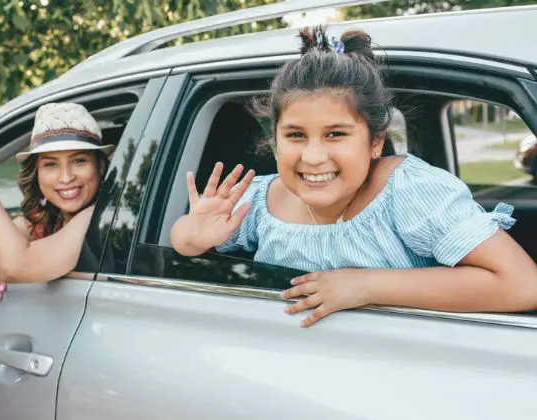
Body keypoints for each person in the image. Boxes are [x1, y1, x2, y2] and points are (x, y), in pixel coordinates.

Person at [170, 26, 537, 328]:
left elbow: (523, 284)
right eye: (296, 135)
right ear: (275, 141)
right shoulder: (256, 200)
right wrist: (190, 236)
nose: (313, 157)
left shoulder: (410, 192)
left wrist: (363, 286)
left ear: (375, 142)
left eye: (336, 134)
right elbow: (184, 242)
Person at [0, 102, 111, 300]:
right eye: (50, 164)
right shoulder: (50, 217)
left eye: (79, 161)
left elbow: (15, 265)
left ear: (99, 167)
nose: (66, 177)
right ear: (36, 173)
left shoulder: (96, 217)